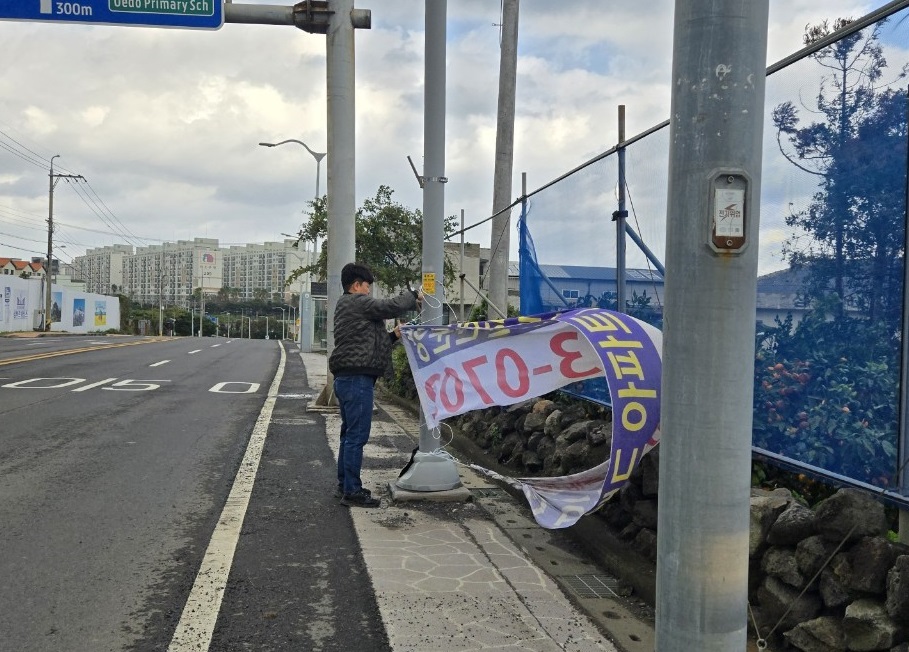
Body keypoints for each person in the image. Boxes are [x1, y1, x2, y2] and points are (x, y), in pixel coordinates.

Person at [329, 263, 421, 507]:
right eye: (367, 287)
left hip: (349, 377)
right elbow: (391, 306)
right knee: (356, 437)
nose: (369, 292)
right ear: (356, 285)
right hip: (356, 380)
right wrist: (413, 294)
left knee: (349, 436)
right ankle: (353, 491)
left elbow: (368, 343)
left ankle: (345, 486)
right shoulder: (355, 301)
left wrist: (394, 335)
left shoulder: (347, 307)